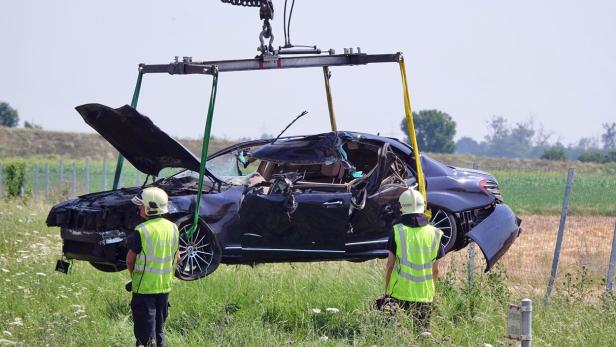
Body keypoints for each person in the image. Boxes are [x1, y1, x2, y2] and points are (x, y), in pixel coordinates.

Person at [383, 187, 445, 337]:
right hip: (424, 294)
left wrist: (387, 290)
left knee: (395, 335)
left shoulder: (397, 231)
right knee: (422, 335)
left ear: (402, 207)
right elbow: (436, 270)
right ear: (422, 206)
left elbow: (390, 265)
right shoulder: (435, 233)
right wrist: (431, 289)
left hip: (398, 293)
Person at [126, 187, 180, 347]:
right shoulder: (173, 228)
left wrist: (133, 276)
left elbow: (130, 260)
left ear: (150, 207)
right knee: (159, 332)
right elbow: (178, 257)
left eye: (141, 205)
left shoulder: (141, 231)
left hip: (144, 290)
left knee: (145, 338)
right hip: (164, 290)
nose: (139, 208)